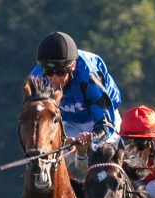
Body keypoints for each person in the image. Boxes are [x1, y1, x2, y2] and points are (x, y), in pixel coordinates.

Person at [30, 31, 123, 176]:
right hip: (70, 121)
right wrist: (60, 139)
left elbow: (106, 125)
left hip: (102, 119)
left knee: (104, 169)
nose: (54, 79)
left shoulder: (89, 75)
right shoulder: (37, 78)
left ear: (72, 66)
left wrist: (89, 139)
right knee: (45, 166)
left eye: (60, 72)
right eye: (49, 72)